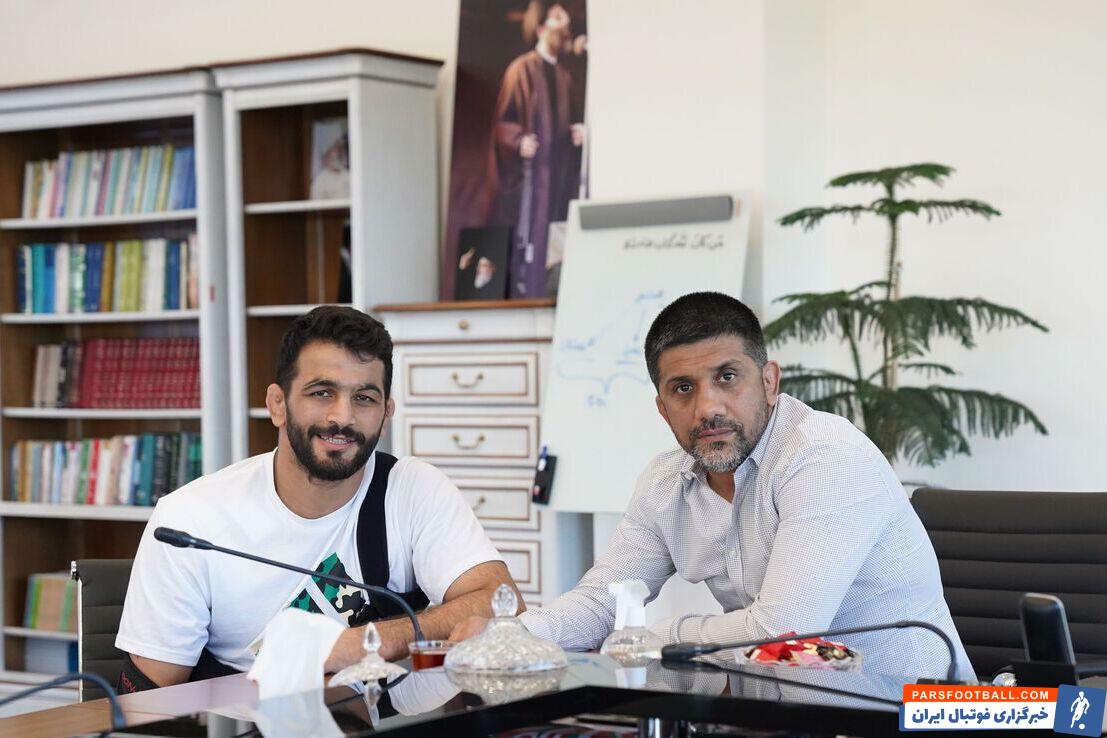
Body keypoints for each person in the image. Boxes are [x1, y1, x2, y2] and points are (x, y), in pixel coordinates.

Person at [452, 292, 975, 681]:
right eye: (683, 388)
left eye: (727, 377)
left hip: (909, 713)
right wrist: (513, 635)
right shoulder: (666, 484)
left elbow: (785, 633)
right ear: (662, 408)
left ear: (769, 381)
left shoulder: (824, 456)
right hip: (775, 719)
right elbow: (603, 601)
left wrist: (660, 637)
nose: (707, 408)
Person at [117, 306, 519, 691]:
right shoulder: (190, 520)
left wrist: (364, 644)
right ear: (278, 405)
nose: (342, 417)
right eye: (322, 392)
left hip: (382, 721)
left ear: (386, 413)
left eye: (364, 398)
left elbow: (501, 601)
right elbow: (148, 704)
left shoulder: (414, 489)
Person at [487, 0, 585, 298]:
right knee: (531, 244)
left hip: (559, 180)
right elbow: (502, 123)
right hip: (532, 182)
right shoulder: (521, 69)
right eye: (557, 17)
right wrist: (519, 141)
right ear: (541, 28)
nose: (565, 23)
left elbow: (572, 120)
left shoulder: (566, 76)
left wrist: (579, 133)